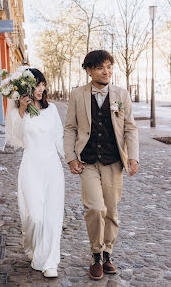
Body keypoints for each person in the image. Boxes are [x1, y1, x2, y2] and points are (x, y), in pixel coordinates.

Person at [64, 50, 139, 280]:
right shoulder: (77, 95)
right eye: (100, 68)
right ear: (89, 70)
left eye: (109, 67)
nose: (106, 72)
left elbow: (130, 127)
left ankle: (107, 253)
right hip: (87, 161)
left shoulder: (121, 94)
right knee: (96, 209)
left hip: (113, 161)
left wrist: (133, 156)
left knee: (111, 211)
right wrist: (71, 157)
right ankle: (96, 253)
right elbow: (70, 128)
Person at [6, 68, 64, 278]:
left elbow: (59, 138)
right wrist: (22, 109)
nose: (41, 89)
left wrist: (73, 160)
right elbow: (18, 138)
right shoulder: (17, 112)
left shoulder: (53, 109)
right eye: (37, 85)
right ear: (26, 88)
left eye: (43, 84)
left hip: (52, 168)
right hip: (31, 166)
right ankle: (31, 247)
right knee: (34, 216)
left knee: (52, 217)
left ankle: (50, 261)